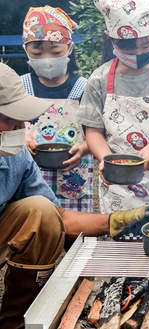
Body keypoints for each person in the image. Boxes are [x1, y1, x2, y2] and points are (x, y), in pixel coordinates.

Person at [0, 63, 149, 328]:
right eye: (10, 119)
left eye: (22, 118)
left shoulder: (16, 155)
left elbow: (58, 217)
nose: (22, 126)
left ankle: (15, 323)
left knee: (41, 211)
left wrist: (115, 221)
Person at [77, 0, 149, 236]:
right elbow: (93, 132)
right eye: (128, 46)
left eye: (146, 43)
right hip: (117, 184)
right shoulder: (99, 79)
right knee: (123, 241)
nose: (138, 52)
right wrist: (107, 159)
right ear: (111, 39)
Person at [21, 5, 93, 213]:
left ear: (69, 47)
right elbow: (6, 128)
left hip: (73, 175)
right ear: (26, 49)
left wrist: (85, 148)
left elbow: (97, 133)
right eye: (37, 52)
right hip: (30, 176)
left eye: (55, 51)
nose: (47, 59)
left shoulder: (83, 87)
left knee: (76, 233)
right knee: (36, 224)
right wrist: (19, 140)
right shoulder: (20, 86)